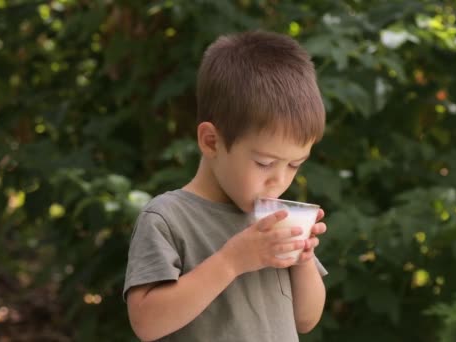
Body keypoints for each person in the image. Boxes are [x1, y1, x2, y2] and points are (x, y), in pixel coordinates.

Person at [123, 30, 328, 342]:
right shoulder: (168, 218)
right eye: (264, 163)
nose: (280, 180)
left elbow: (306, 319)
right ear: (211, 142)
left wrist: (302, 263)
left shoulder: (276, 224)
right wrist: (232, 261)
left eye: (295, 165)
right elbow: (146, 323)